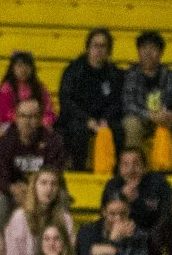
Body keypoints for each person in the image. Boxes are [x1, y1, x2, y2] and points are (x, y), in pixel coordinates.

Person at [53, 28, 124, 172]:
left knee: (118, 130)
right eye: (95, 45)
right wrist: (87, 120)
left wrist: (105, 119)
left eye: (103, 46)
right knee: (78, 131)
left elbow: (118, 101)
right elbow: (66, 101)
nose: (99, 50)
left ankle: (116, 173)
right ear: (88, 48)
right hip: (77, 119)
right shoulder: (73, 71)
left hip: (104, 119)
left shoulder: (115, 74)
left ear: (109, 50)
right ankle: (78, 171)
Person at [117, 30, 172, 161]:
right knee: (131, 124)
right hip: (142, 120)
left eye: (153, 48)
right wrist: (150, 115)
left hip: (167, 120)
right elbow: (128, 105)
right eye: (144, 48)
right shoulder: (130, 75)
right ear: (138, 52)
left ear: (161, 53)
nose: (148, 53)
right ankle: (133, 170)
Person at [0, 96, 65, 219]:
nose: (27, 121)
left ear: (40, 119)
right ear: (16, 117)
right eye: (23, 116)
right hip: (12, 192)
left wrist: (32, 190)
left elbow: (55, 172)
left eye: (32, 116)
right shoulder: (4, 142)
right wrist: (12, 188)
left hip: (43, 189)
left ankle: (56, 231)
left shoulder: (52, 141)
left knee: (62, 197)